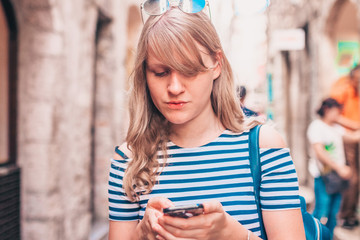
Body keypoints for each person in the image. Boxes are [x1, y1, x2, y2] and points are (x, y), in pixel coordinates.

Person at [108, 2, 305, 239]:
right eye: (160, 72)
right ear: (144, 73)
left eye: (189, 70)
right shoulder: (129, 160)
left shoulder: (264, 147)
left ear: (216, 65)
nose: (174, 87)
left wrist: (232, 234)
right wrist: (143, 233)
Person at [307, 98, 360, 237]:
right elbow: (320, 152)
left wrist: (340, 119)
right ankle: (311, 236)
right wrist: (339, 168)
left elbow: (354, 135)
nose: (339, 114)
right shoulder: (316, 126)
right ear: (327, 110)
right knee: (321, 210)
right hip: (323, 176)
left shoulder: (337, 127)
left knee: (334, 212)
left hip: (338, 177)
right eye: (336, 111)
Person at [330, 64, 360, 229]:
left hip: (356, 137)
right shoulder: (343, 89)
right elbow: (333, 116)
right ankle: (345, 215)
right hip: (347, 138)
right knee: (352, 178)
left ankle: (350, 214)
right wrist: (355, 126)